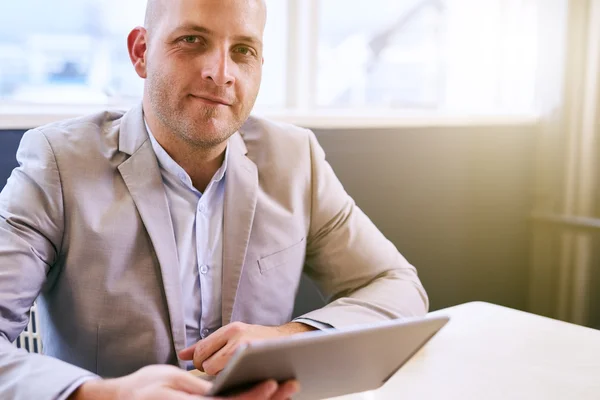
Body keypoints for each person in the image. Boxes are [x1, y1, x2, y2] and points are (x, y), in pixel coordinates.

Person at [0, 0, 428, 399]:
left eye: (243, 50)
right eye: (192, 40)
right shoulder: (59, 163)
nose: (221, 72)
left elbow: (397, 286)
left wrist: (288, 336)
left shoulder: (296, 159)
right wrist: (104, 394)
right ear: (141, 52)